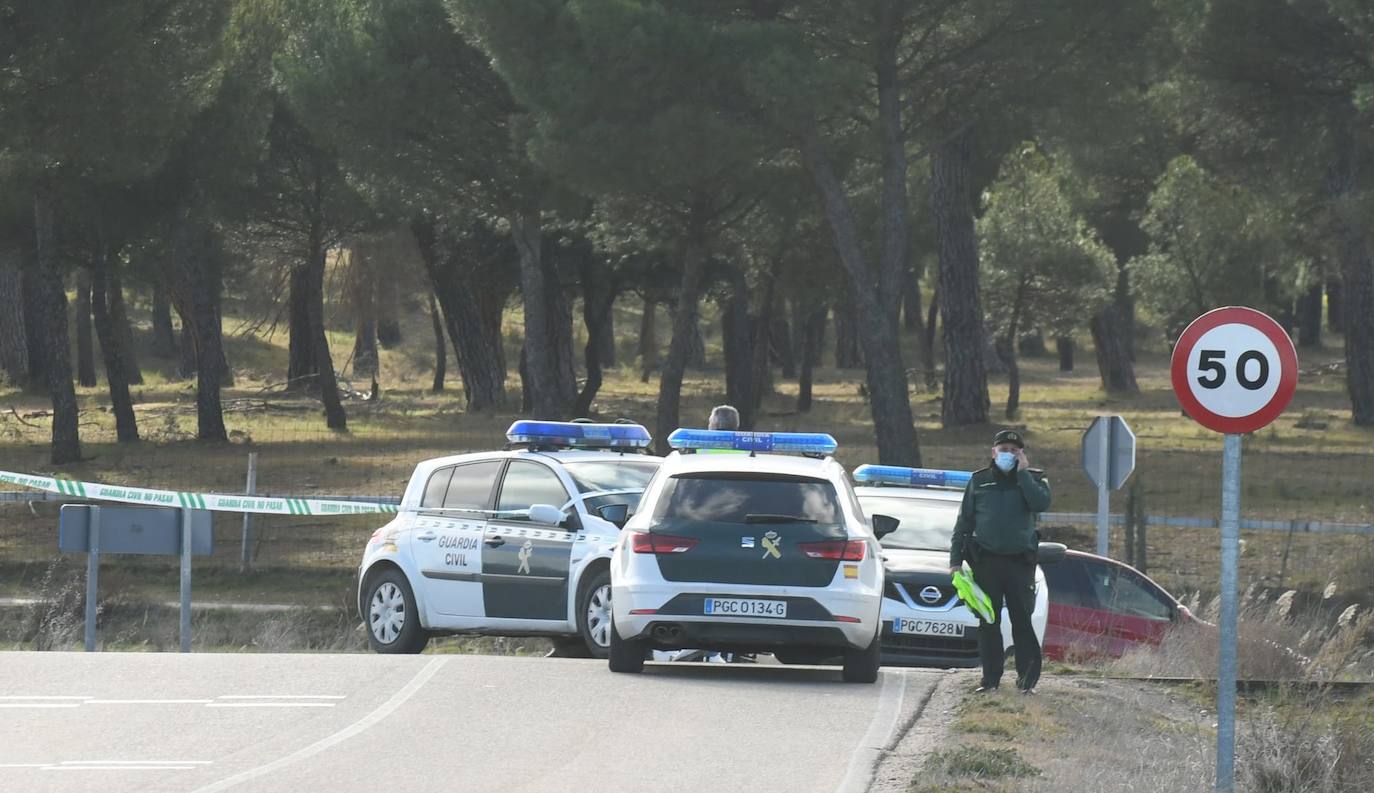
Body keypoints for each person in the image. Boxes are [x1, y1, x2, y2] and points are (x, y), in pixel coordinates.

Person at [949, 429, 1051, 694]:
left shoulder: (1034, 479)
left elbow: (1041, 503)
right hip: (986, 563)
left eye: (1014, 451)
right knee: (988, 622)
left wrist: (1023, 474)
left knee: (1022, 622)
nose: (1008, 454)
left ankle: (1026, 683)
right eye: (1003, 449)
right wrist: (955, 561)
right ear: (993, 452)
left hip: (1020, 565)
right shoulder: (979, 481)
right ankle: (990, 681)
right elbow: (964, 523)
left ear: (1022, 454)